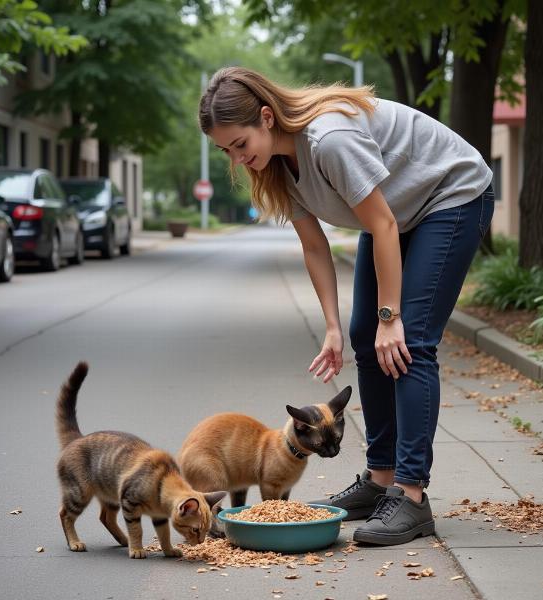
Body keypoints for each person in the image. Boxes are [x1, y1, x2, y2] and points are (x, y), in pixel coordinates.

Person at [198, 66, 494, 546]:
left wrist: (390, 316)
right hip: (400, 214)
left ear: (267, 118)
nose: (237, 158)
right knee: (363, 337)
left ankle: (413, 498)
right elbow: (314, 246)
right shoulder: (276, 165)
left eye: (239, 143)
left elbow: (381, 225)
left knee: (409, 341)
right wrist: (333, 328)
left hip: (451, 196)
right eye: (225, 150)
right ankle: (380, 481)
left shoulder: (328, 141)